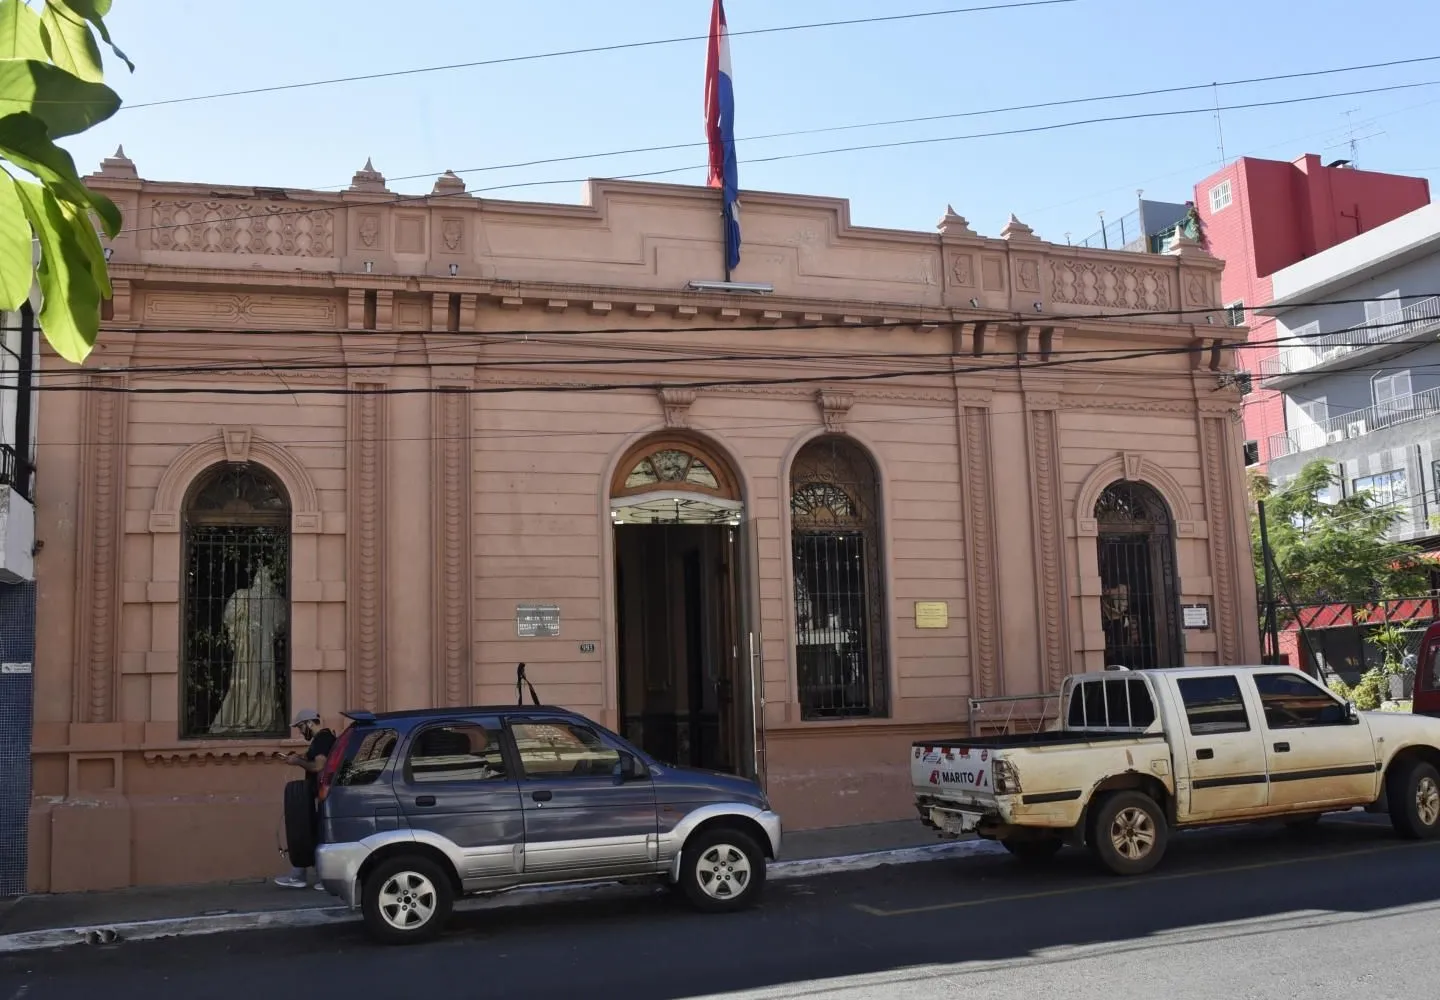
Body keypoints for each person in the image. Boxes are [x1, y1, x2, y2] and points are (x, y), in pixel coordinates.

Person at [274, 708, 335, 889]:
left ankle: (320, 878)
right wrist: (301, 758)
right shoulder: (323, 739)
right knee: (311, 833)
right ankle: (303, 875)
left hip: (321, 795)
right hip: (319, 794)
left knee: (317, 835)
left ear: (309, 724)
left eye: (301, 727)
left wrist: (297, 762)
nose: (300, 732)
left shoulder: (322, 739)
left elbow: (318, 766)